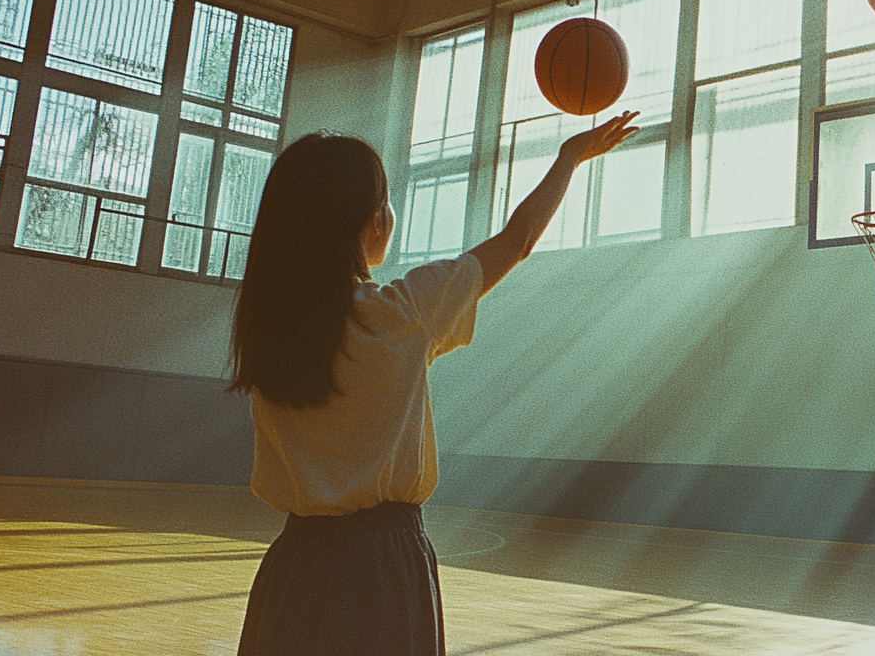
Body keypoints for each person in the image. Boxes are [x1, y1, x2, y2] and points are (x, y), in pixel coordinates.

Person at [230, 111, 640, 655]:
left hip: (294, 566)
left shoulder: (268, 329)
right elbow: (517, 238)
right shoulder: (403, 314)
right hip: (382, 563)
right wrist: (568, 158)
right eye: (386, 200)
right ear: (370, 221)